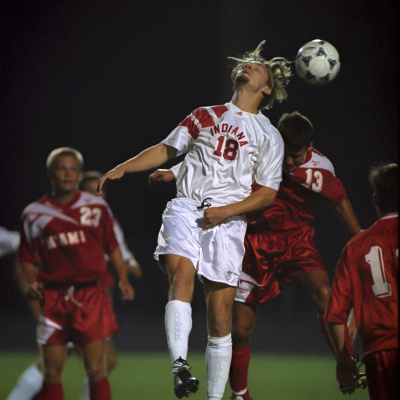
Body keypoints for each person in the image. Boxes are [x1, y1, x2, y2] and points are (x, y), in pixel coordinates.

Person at [97, 41, 291, 400]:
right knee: (181, 278)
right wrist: (125, 166)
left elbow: (266, 193)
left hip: (228, 223)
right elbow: (167, 148)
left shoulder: (269, 136)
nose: (248, 65)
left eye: (257, 66)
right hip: (187, 208)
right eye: (246, 62)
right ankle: (179, 365)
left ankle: (214, 397)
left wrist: (228, 211)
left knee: (220, 319)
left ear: (266, 89)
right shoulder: (206, 113)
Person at [148, 111, 363, 400]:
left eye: (296, 156)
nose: (288, 162)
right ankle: (240, 393)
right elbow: (212, 161)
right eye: (285, 154)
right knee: (241, 329)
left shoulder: (319, 168)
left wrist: (361, 237)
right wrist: (174, 172)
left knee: (325, 293)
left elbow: (338, 201)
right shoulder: (258, 148)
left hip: (294, 240)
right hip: (250, 244)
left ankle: (345, 363)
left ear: (309, 149)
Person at [6, 169, 142, 400]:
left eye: (99, 191)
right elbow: (19, 241)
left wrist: (128, 262)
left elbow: (117, 245)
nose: (95, 197)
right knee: (77, 363)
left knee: (98, 363)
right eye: (90, 191)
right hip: (61, 298)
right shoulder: (60, 217)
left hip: (90, 298)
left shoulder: (103, 218)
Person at [325, 163, 398, 399]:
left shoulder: (356, 247)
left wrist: (344, 361)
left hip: (380, 353)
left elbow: (335, 315)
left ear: (375, 200)